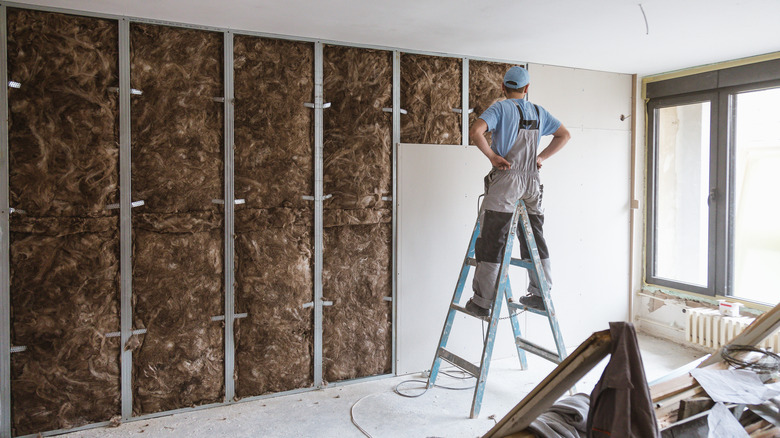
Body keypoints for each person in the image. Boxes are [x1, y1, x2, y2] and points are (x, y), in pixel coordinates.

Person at [466, 66, 571, 316]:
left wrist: (493, 157)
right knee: (535, 237)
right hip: (532, 182)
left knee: (493, 240)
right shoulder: (538, 111)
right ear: (526, 89)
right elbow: (564, 135)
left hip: (507, 179)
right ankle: (540, 294)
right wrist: (540, 157)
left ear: (503, 87)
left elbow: (476, 132)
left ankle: (482, 303)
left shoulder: (500, 108)